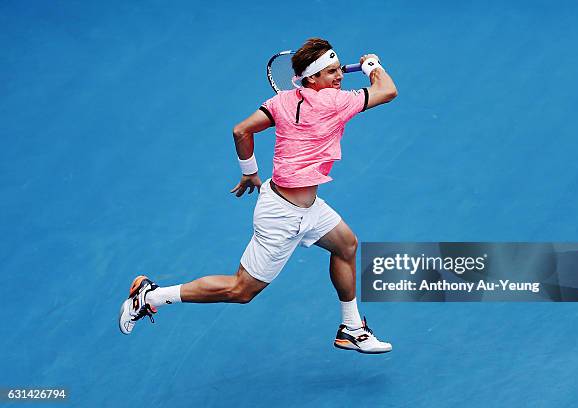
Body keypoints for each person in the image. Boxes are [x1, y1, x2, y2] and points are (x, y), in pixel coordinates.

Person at [119, 38, 398, 354]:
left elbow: (241, 130)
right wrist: (372, 65)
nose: (340, 77)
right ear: (312, 79)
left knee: (346, 245)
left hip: (305, 206)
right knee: (241, 290)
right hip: (283, 217)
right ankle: (151, 296)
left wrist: (249, 171)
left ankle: (352, 329)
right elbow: (388, 90)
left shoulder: (282, 101)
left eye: (339, 70)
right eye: (332, 72)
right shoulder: (335, 103)